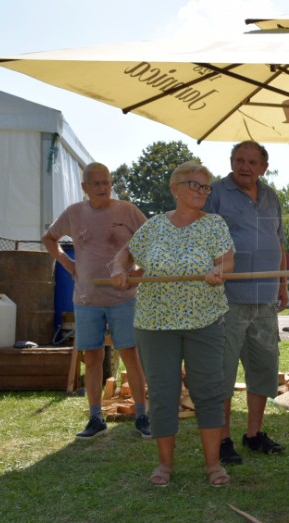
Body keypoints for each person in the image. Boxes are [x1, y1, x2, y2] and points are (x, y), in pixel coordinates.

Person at [110, 161, 235, 487]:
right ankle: (164, 465)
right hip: (155, 324)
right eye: (195, 184)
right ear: (174, 188)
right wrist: (118, 269)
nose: (202, 192)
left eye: (206, 187)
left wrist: (218, 271)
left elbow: (227, 259)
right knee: (164, 394)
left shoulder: (214, 225)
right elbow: (125, 254)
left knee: (208, 392)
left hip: (204, 321)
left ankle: (213, 466)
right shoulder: (153, 227)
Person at [42, 162, 150, 440]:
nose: (103, 188)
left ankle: (141, 415)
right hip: (87, 299)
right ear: (84, 188)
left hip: (124, 299)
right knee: (92, 358)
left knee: (130, 355)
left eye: (106, 182)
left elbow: (153, 241)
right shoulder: (74, 213)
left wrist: (138, 272)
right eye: (97, 183)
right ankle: (95, 418)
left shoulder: (127, 210)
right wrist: (68, 264)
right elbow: (49, 238)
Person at [204, 140, 288, 465]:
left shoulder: (271, 197)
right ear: (231, 162)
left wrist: (282, 284)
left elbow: (278, 242)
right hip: (228, 299)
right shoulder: (216, 194)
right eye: (239, 160)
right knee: (224, 370)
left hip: (265, 299)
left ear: (263, 167)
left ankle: (254, 434)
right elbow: (202, 240)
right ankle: (223, 439)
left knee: (264, 368)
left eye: (252, 162)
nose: (245, 167)